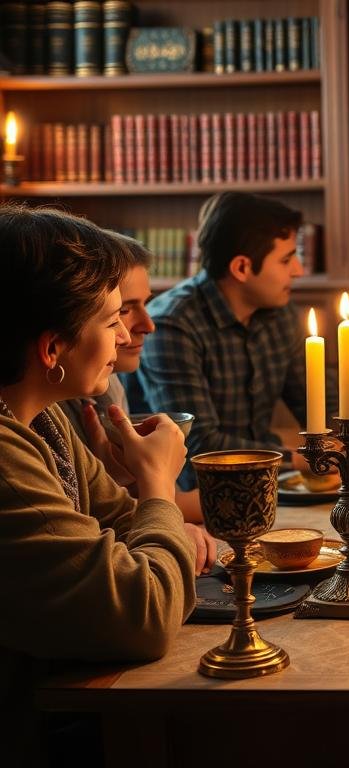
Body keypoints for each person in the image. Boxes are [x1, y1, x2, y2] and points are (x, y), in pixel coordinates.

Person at [0, 207, 196, 762]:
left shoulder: (43, 416)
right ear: (52, 348)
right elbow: (144, 613)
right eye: (112, 320)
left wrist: (157, 526)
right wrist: (158, 482)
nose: (127, 334)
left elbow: (121, 520)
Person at [132, 192, 330, 489]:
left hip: (264, 484)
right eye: (287, 259)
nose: (298, 270)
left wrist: (346, 435)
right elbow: (199, 443)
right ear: (241, 268)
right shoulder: (171, 325)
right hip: (191, 496)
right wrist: (304, 458)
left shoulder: (279, 312)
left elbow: (318, 402)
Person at [60, 232, 217, 574]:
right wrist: (155, 481)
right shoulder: (44, 413)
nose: (143, 327)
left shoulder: (106, 389)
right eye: (121, 312)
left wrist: (159, 516)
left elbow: (114, 514)